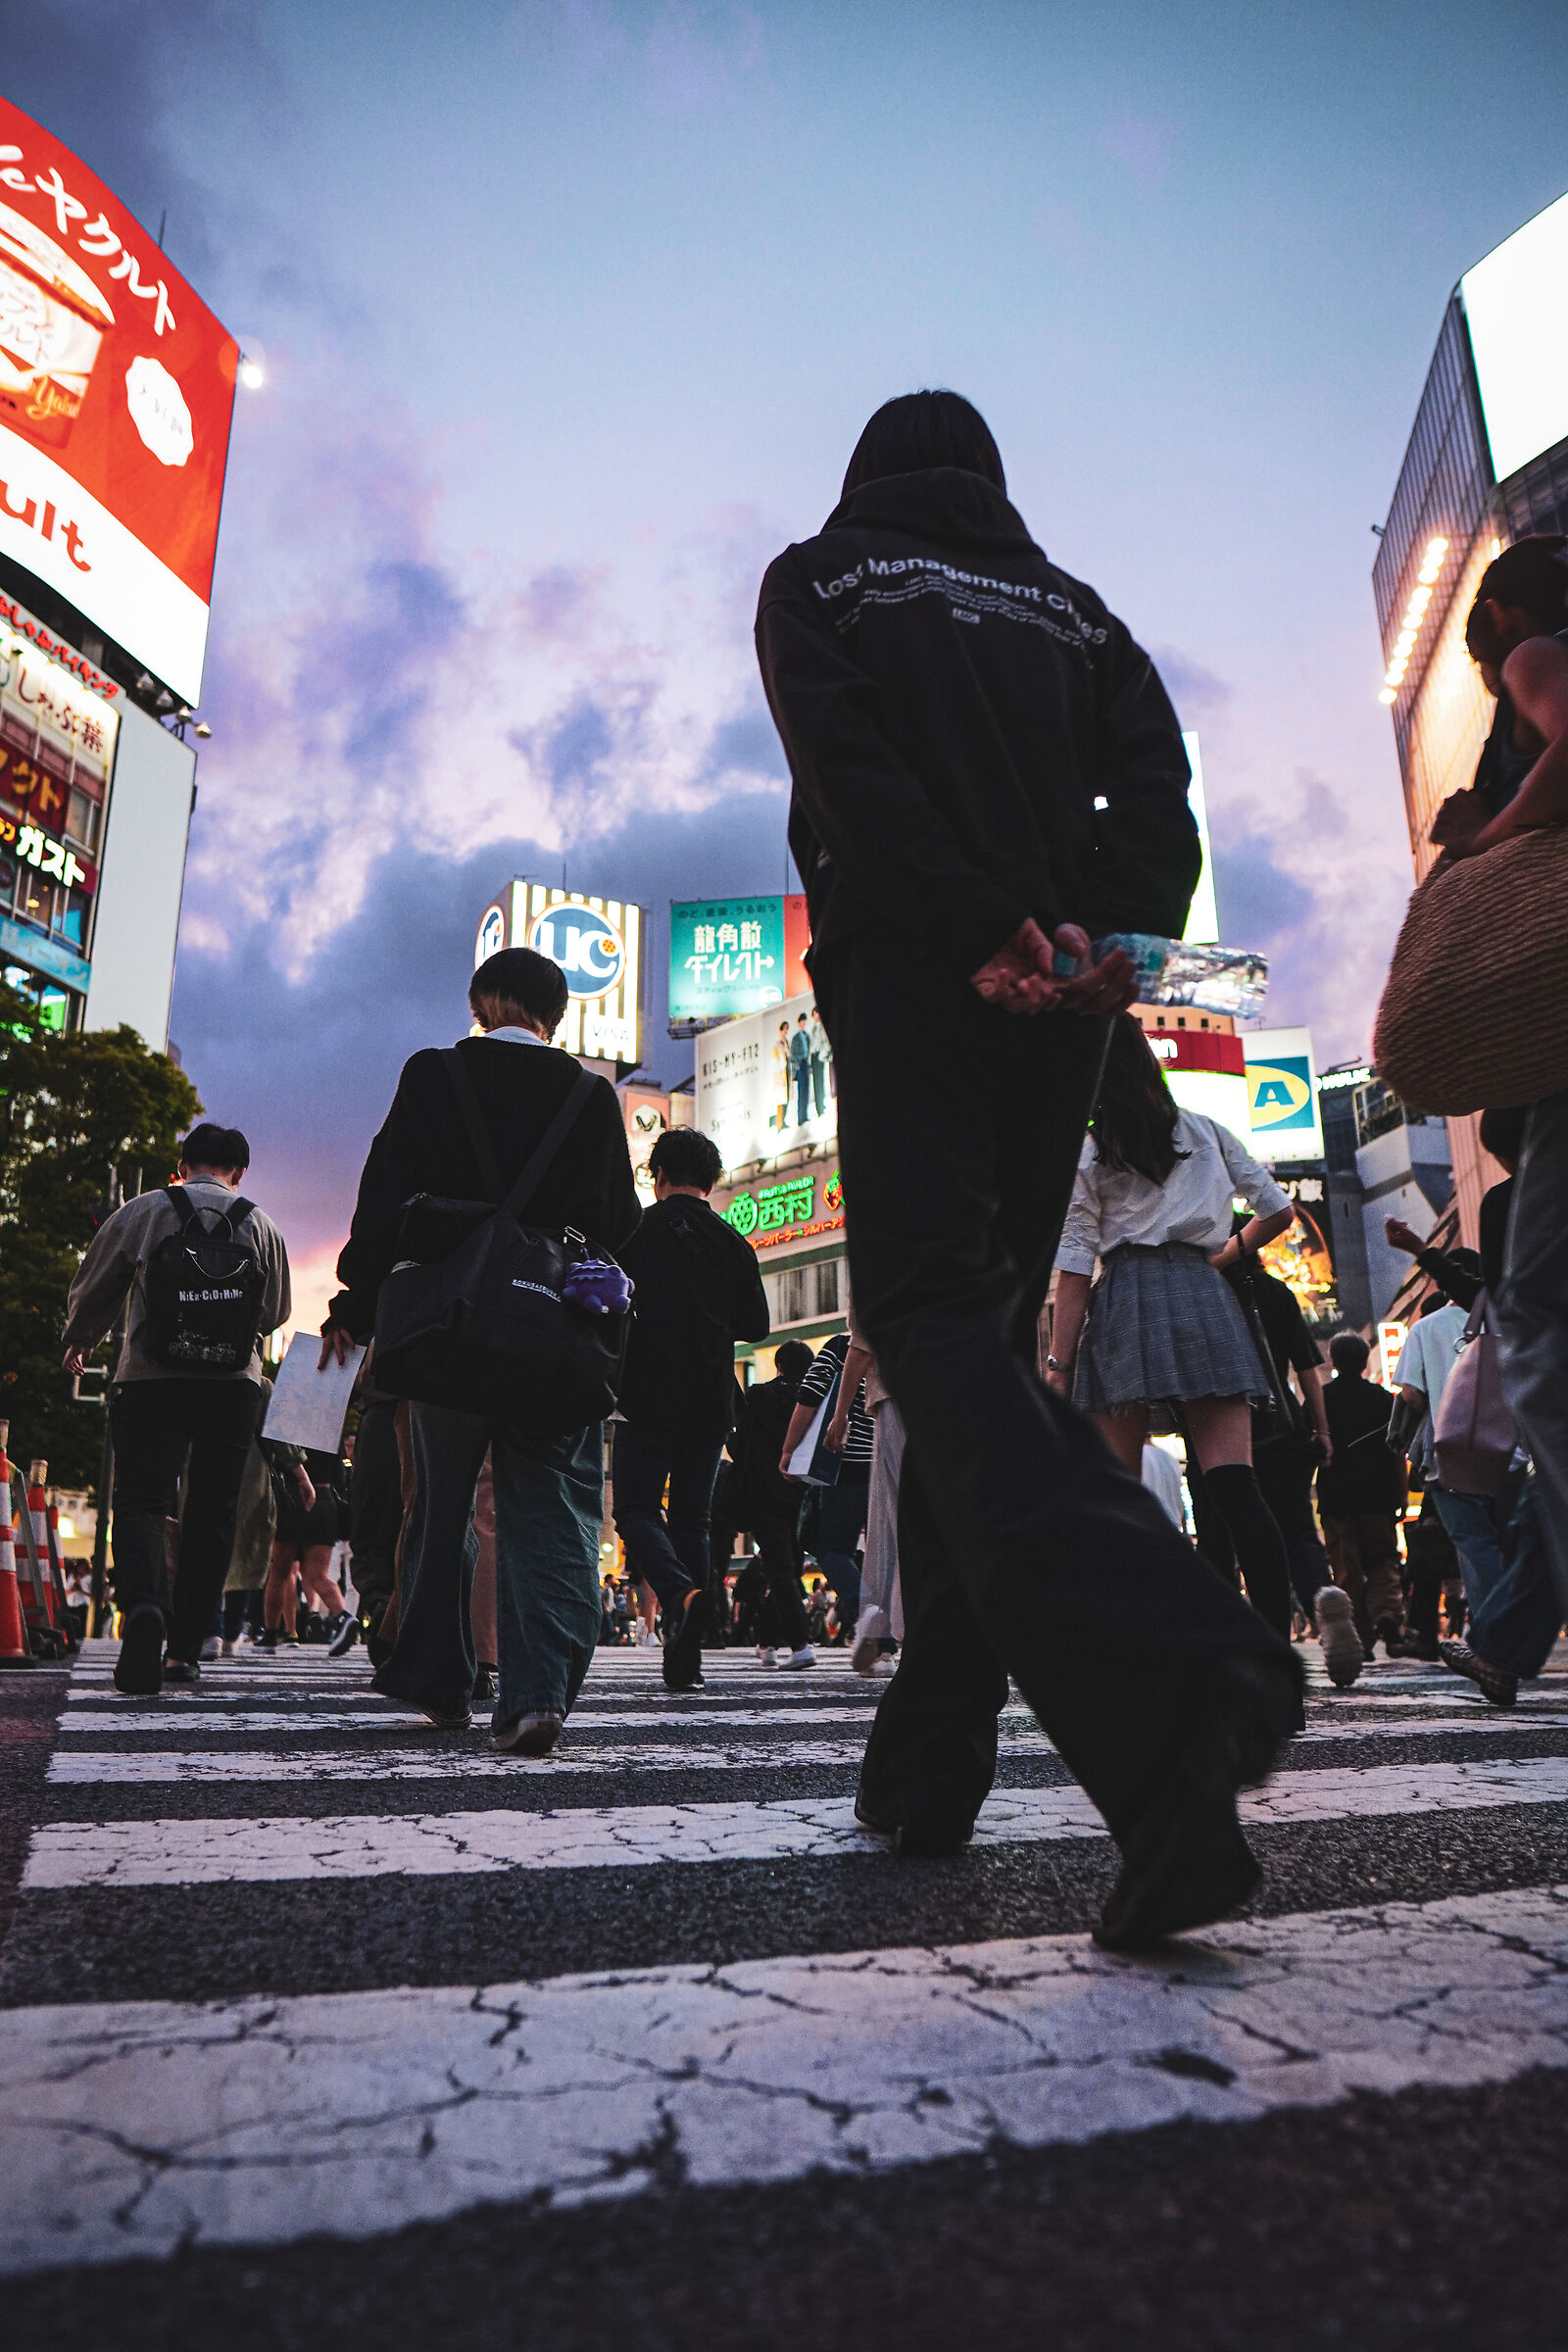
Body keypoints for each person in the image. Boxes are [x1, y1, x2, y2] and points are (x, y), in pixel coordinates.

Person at [756, 389, 1300, 1946]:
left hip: (920, 970)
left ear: (866, 470)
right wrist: (1081, 933)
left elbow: (848, 771)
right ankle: (946, 1765)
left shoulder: (821, 577)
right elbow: (1162, 798)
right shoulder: (1077, 610)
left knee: (929, 1318)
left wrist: (972, 920)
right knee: (977, 1349)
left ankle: (1179, 1650)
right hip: (1061, 991)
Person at [320, 947, 640, 1752]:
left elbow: (383, 1195)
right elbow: (617, 1223)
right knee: (548, 1510)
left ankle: (439, 1678)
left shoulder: (432, 1073)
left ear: (485, 1000)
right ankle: (537, 1695)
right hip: (548, 1330)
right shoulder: (591, 1097)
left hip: (446, 1323)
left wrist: (361, 1292)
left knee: (440, 1504)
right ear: (555, 1014)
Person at [1050, 1017, 1298, 1643]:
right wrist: (1219, 1257)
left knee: (1119, 1491)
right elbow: (1278, 1211)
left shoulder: (1090, 1150)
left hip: (1127, 1298)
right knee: (1235, 1483)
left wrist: (1057, 1364)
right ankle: (1273, 1661)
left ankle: (1134, 1648)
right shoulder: (1206, 1131)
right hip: (1204, 1296)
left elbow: (1076, 1263)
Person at [62, 1123, 291, 1695]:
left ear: (182, 1164)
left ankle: (143, 1607)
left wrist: (82, 1337)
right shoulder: (260, 1224)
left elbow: (98, 1279)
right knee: (211, 1512)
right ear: (239, 1172)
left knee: (141, 1503)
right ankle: (184, 1652)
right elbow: (276, 1311)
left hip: (150, 1378)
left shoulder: (146, 1211)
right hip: (232, 1386)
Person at [612, 1125, 769, 1691]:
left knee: (633, 1509)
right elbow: (757, 1325)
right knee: (693, 1520)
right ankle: (686, 1662)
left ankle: (680, 1594)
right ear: (711, 1180)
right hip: (710, 1398)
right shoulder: (733, 1242)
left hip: (645, 1390)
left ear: (658, 1175)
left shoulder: (635, 1232)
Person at [1392, 1284, 1502, 1624]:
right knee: (1506, 1539)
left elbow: (1409, 1391)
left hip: (1449, 1452)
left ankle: (1495, 1625)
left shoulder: (1426, 1327)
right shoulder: (1505, 1320)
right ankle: (1497, 1625)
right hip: (1506, 1451)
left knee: (1472, 1542)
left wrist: (1442, 1406)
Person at [779, 1328, 875, 1667]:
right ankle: (887, 1648)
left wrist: (789, 1450)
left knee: (832, 1548)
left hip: (844, 1459)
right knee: (882, 1554)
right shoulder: (895, 1337)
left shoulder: (839, 1346)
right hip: (887, 1460)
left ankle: (867, 1611)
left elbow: (811, 1396)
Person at [1316, 1333, 1408, 1663]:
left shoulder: (1320, 1400)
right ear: (1366, 1360)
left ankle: (1359, 1636)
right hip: (1378, 1495)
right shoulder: (1384, 1399)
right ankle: (1389, 1622)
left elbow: (1306, 1447)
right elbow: (1397, 1450)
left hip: (1336, 1496)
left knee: (1346, 1567)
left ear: (1334, 1362)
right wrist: (1401, 1492)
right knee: (1383, 1560)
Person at [729, 1340, 816, 1662]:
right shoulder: (813, 1399)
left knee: (780, 1566)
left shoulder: (759, 1395)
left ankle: (799, 1643)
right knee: (789, 1565)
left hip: (765, 1492)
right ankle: (767, 1639)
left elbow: (739, 1445)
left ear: (778, 1365)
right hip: (802, 1492)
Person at [791, 1013, 813, 1127]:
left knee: (806, 1090)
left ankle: (805, 1115)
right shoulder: (796, 1037)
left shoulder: (807, 1036)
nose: (804, 1024)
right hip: (800, 1065)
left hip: (806, 1063)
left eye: (805, 1022)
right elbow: (793, 1054)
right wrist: (798, 1064)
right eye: (802, 1022)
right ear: (799, 1023)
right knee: (801, 1091)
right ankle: (800, 1117)